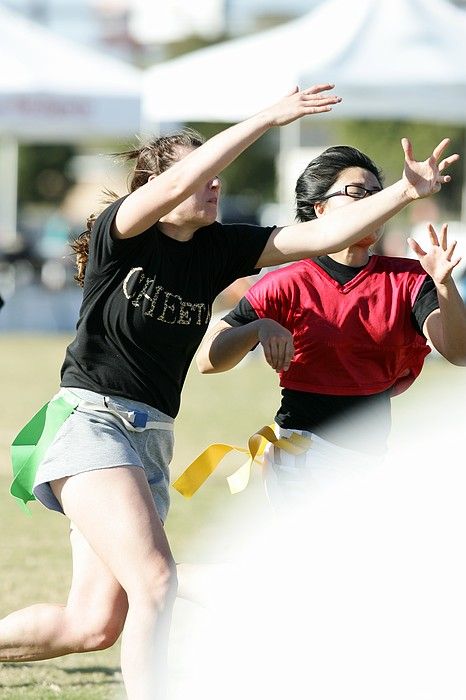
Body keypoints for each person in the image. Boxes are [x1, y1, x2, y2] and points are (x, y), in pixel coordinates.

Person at [0, 84, 458, 699]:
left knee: (92, 625)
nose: (215, 185)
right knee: (156, 583)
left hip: (150, 439)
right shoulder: (124, 233)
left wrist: (406, 190)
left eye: (218, 178)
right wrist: (268, 117)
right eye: (202, 177)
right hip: (90, 420)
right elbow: (170, 188)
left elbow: (318, 239)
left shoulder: (221, 250)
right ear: (160, 192)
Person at [195, 143, 466, 510]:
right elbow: (208, 360)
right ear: (319, 208)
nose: (371, 203)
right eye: (357, 193)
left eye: (376, 194)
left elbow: (458, 353)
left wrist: (445, 284)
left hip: (372, 465)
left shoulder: (409, 279)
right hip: (301, 462)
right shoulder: (287, 281)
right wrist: (259, 328)